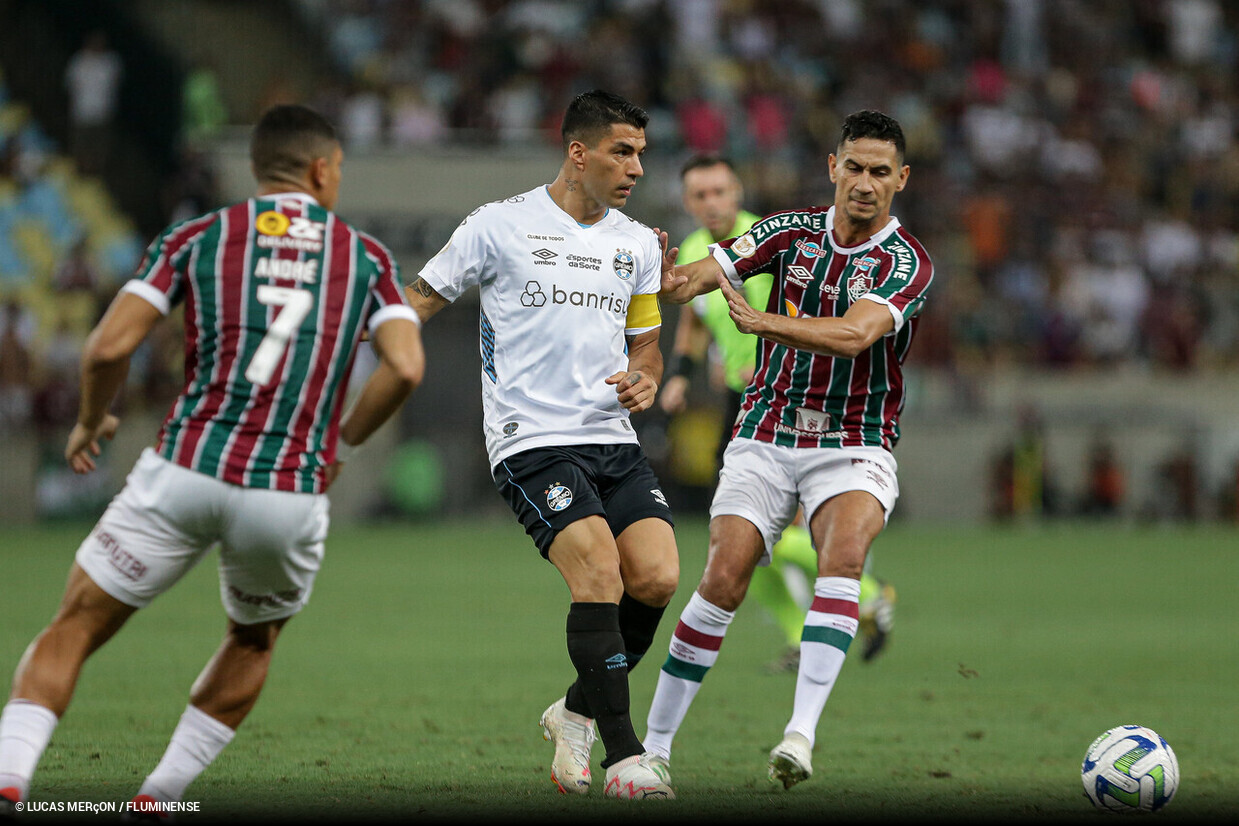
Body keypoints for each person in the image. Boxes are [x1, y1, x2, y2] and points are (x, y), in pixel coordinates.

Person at [0, 104, 425, 817]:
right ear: (321, 169)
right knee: (251, 641)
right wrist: (341, 443)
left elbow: (107, 347)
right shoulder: (366, 257)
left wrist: (90, 420)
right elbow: (405, 367)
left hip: (186, 467)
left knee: (74, 623)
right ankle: (159, 796)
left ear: (261, 170)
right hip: (287, 489)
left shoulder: (198, 237)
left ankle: (11, 781)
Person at [402, 89, 678, 801]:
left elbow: (646, 345)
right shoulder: (498, 226)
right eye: (622, 151)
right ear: (577, 153)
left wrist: (645, 380)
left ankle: (574, 711)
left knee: (655, 578)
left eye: (641, 154)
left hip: (611, 440)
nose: (636, 168)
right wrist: (369, 348)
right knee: (597, 571)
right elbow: (421, 299)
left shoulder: (637, 244)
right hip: (532, 441)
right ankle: (626, 759)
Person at [646, 110, 933, 790]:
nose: (864, 183)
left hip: (853, 440)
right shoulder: (785, 230)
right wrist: (662, 275)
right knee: (723, 576)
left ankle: (799, 735)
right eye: (853, 168)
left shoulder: (906, 263)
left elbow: (855, 335)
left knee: (842, 557)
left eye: (879, 172)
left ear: (901, 180)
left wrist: (760, 320)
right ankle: (652, 748)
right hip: (766, 430)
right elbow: (693, 281)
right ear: (833, 167)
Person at [661, 154, 896, 673]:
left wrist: (772, 361)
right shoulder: (700, 252)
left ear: (738, 191)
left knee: (787, 532)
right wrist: (680, 373)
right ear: (687, 202)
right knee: (740, 536)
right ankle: (797, 632)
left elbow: (817, 311)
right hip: (738, 404)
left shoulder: (769, 240)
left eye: (720, 191)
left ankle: (871, 593)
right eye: (700, 195)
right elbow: (697, 320)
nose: (712, 203)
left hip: (791, 400)